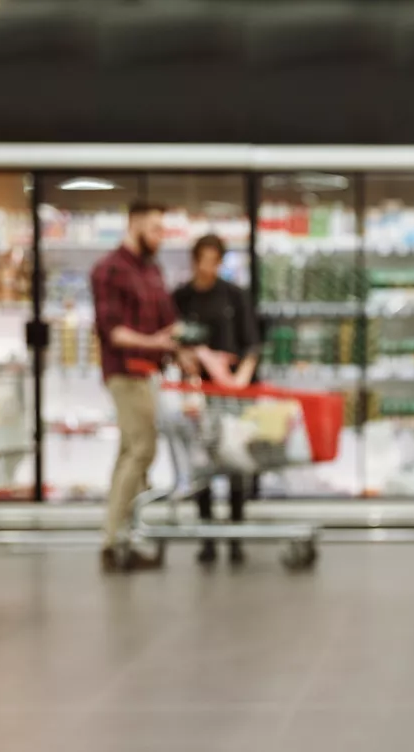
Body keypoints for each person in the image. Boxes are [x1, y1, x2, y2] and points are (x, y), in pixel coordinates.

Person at [91, 200, 189, 571]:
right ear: (133, 224)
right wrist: (158, 343)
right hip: (124, 372)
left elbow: (169, 321)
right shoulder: (110, 270)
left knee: (130, 451)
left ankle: (121, 538)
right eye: (155, 229)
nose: (160, 237)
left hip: (149, 374)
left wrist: (182, 342)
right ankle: (114, 539)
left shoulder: (152, 271)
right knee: (143, 450)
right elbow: (113, 332)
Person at [172, 234, 260, 565]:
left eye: (215, 260)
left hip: (232, 394)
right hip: (196, 393)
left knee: (237, 461)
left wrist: (239, 381)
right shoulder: (180, 297)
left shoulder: (235, 296)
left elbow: (251, 344)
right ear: (194, 261)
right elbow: (173, 341)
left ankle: (236, 537)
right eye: (203, 259)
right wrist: (185, 359)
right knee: (201, 463)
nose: (209, 266)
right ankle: (207, 537)